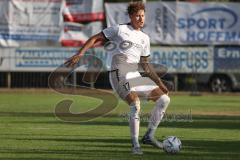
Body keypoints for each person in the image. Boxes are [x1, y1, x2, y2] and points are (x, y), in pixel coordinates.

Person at [65, 1, 170, 155]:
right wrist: (80, 53)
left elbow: (145, 66)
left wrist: (159, 82)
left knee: (164, 99)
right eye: (138, 16)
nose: (141, 19)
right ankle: (135, 146)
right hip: (118, 73)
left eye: (143, 16)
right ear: (131, 16)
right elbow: (95, 38)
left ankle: (149, 135)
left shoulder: (144, 38)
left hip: (134, 74)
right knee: (135, 104)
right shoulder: (120, 29)